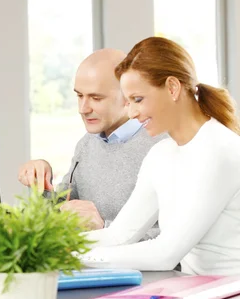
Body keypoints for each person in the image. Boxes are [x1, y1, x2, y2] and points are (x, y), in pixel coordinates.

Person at [80, 37, 240, 275]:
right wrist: (53, 245)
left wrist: (72, 256)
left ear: (172, 88)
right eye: (128, 102)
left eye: (138, 99)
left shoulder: (219, 149)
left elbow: (164, 254)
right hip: (193, 293)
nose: (132, 113)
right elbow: (120, 235)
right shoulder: (161, 155)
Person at [18, 49, 162, 234]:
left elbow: (174, 241)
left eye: (96, 98)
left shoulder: (162, 146)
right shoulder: (88, 143)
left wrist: (103, 228)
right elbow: (64, 209)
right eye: (79, 96)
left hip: (132, 263)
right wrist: (41, 182)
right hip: (87, 260)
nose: (83, 108)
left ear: (128, 97)